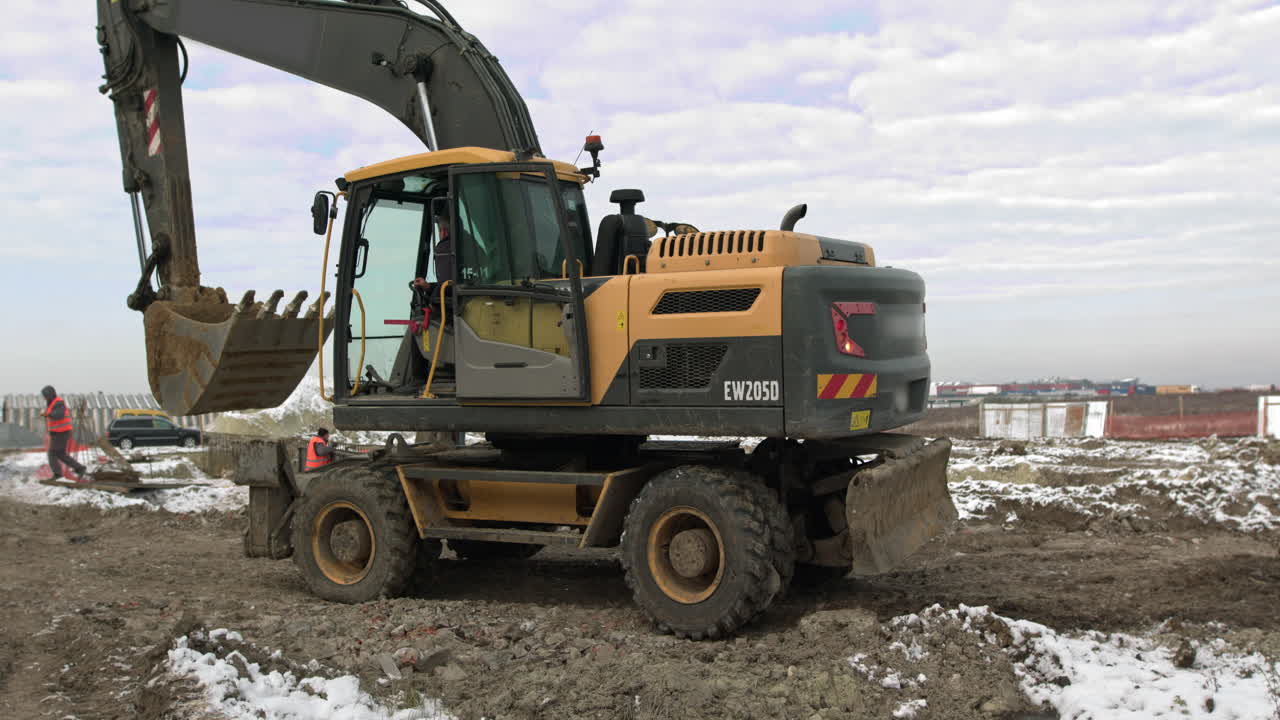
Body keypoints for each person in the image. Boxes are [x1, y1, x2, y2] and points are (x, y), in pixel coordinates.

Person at [41, 385, 87, 481]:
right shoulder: (52, 403)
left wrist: (47, 414)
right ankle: (79, 468)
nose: (44, 397)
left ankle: (58, 474)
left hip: (61, 432)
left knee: (52, 453)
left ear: (50, 394)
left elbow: (59, 415)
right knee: (60, 453)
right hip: (57, 432)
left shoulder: (58, 402)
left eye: (45, 395)